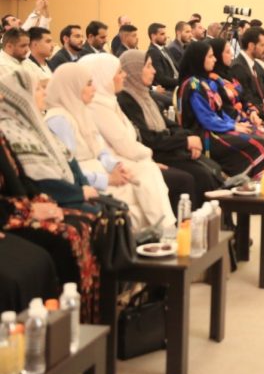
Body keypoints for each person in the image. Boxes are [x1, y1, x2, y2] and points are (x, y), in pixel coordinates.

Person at [0, 68, 103, 321]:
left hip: (14, 207)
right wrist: (25, 209)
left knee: (85, 223)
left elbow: (19, 177)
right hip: (8, 213)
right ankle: (53, 330)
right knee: (61, 239)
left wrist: (39, 201)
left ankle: (85, 322)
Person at [45, 63, 162, 233]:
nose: (94, 89)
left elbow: (100, 149)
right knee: (135, 203)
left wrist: (115, 166)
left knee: (148, 178)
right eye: (88, 84)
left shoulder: (80, 110)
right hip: (87, 181)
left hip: (101, 171)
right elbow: (68, 170)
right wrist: (107, 179)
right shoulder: (59, 120)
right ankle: (159, 234)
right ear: (72, 87)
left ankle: (165, 230)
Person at [78, 53, 178, 231]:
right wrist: (147, 158)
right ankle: (166, 229)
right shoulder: (97, 106)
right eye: (119, 72)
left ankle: (165, 229)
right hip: (108, 165)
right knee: (157, 175)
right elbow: (123, 144)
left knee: (156, 174)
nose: (124, 75)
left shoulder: (109, 101)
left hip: (119, 160)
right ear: (104, 77)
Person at [117, 50, 223, 206]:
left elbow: (169, 124)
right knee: (200, 175)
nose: (154, 71)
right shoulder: (126, 101)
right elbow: (148, 138)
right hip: (156, 153)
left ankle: (216, 215)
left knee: (212, 168)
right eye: (148, 66)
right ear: (135, 70)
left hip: (167, 148)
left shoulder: (145, 96)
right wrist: (185, 142)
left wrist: (188, 138)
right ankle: (194, 219)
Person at [176, 41, 264, 177]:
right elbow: (207, 119)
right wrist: (232, 126)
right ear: (199, 59)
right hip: (205, 134)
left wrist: (235, 124)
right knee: (259, 142)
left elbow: (219, 112)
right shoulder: (194, 86)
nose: (215, 59)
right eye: (210, 56)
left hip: (217, 128)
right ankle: (244, 182)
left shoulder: (205, 82)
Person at [205, 38, 264, 159]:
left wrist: (252, 112)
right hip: (231, 122)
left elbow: (244, 98)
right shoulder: (212, 81)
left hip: (244, 117)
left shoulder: (229, 74)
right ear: (218, 55)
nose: (231, 55)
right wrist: (244, 119)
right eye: (227, 52)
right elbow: (225, 109)